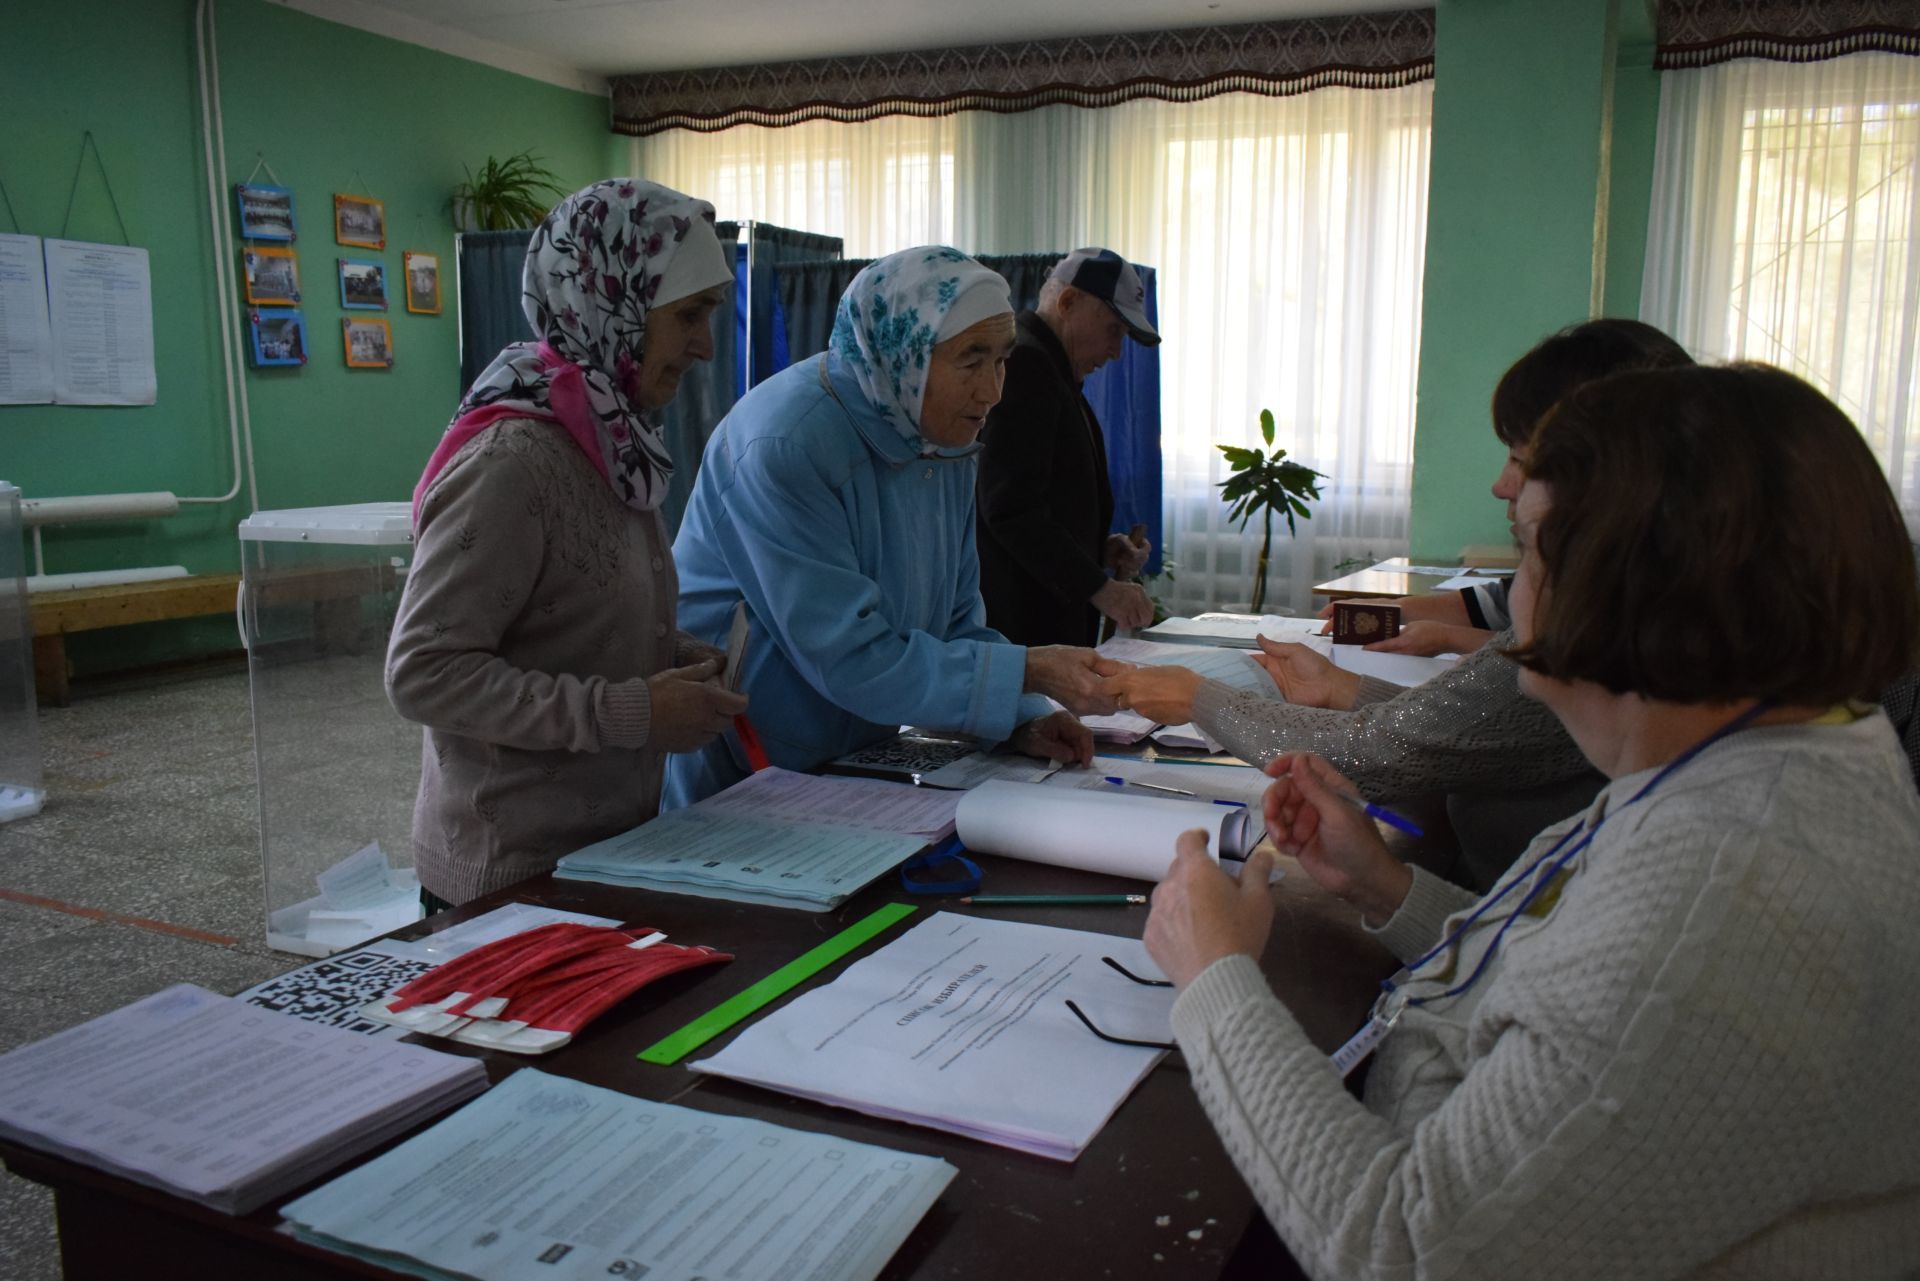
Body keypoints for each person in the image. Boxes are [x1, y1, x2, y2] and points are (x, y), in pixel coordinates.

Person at [1144, 364, 1920, 1279]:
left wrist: (1214, 977)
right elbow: (1571, 978)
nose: (1512, 603)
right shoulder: (1757, 762)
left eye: (1528, 552)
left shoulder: (1727, 900)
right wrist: (1382, 883)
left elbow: (1404, 1251)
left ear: (1625, 590)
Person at [1105, 320, 1694, 883]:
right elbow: (1476, 728)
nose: (1501, 485)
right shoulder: (1641, 612)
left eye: (1521, 459)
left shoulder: (1590, 631)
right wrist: (1342, 690)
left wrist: (1195, 697)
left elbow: (1383, 752)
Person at [387, 179, 747, 908]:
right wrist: (631, 711)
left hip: (607, 853)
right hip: (507, 877)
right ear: (614, 304)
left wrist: (664, 655)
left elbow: (558, 616)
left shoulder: (611, 433)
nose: (706, 346)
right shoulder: (512, 460)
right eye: (690, 315)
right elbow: (423, 672)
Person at [665, 246, 1114, 807]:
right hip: (742, 760)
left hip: (852, 756)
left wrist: (1022, 718)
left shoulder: (936, 438)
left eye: (1002, 360)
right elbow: (850, 657)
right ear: (905, 352)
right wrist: (1031, 672)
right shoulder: (786, 443)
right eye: (971, 359)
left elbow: (955, 622)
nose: (993, 391)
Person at [975, 248, 1159, 645]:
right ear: (1068, 301)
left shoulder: (1052, 368)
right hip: (1024, 626)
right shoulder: (1027, 364)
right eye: (1113, 330)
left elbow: (1044, 498)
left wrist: (1096, 547)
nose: (1116, 352)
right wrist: (1099, 587)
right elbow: (1010, 509)